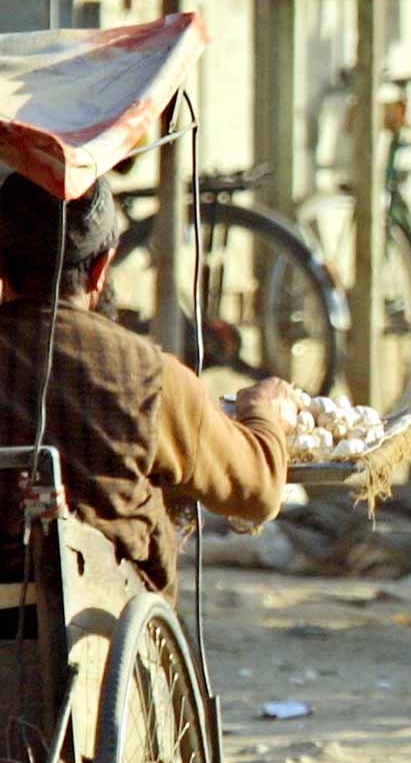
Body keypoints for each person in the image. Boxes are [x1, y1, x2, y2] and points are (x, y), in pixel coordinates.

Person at [0, 171, 298, 604]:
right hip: (104, 624)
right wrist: (263, 412)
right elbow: (259, 492)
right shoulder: (148, 376)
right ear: (102, 268)